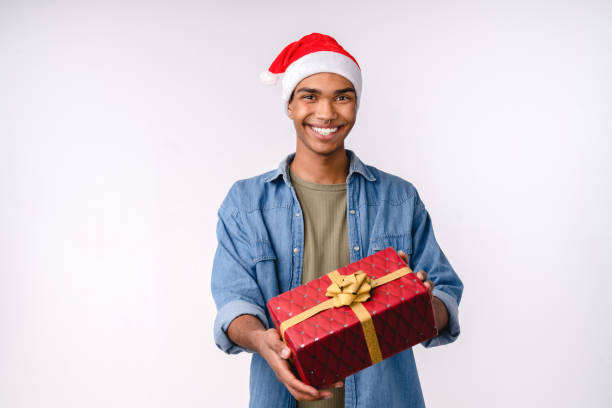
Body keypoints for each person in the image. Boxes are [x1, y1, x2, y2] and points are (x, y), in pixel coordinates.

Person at [211, 33, 463, 408]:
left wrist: (423, 306)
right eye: (310, 96)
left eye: (342, 97)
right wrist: (261, 340)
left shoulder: (398, 198)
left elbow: (444, 292)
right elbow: (235, 301)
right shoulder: (246, 203)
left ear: (356, 104)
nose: (327, 113)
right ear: (290, 107)